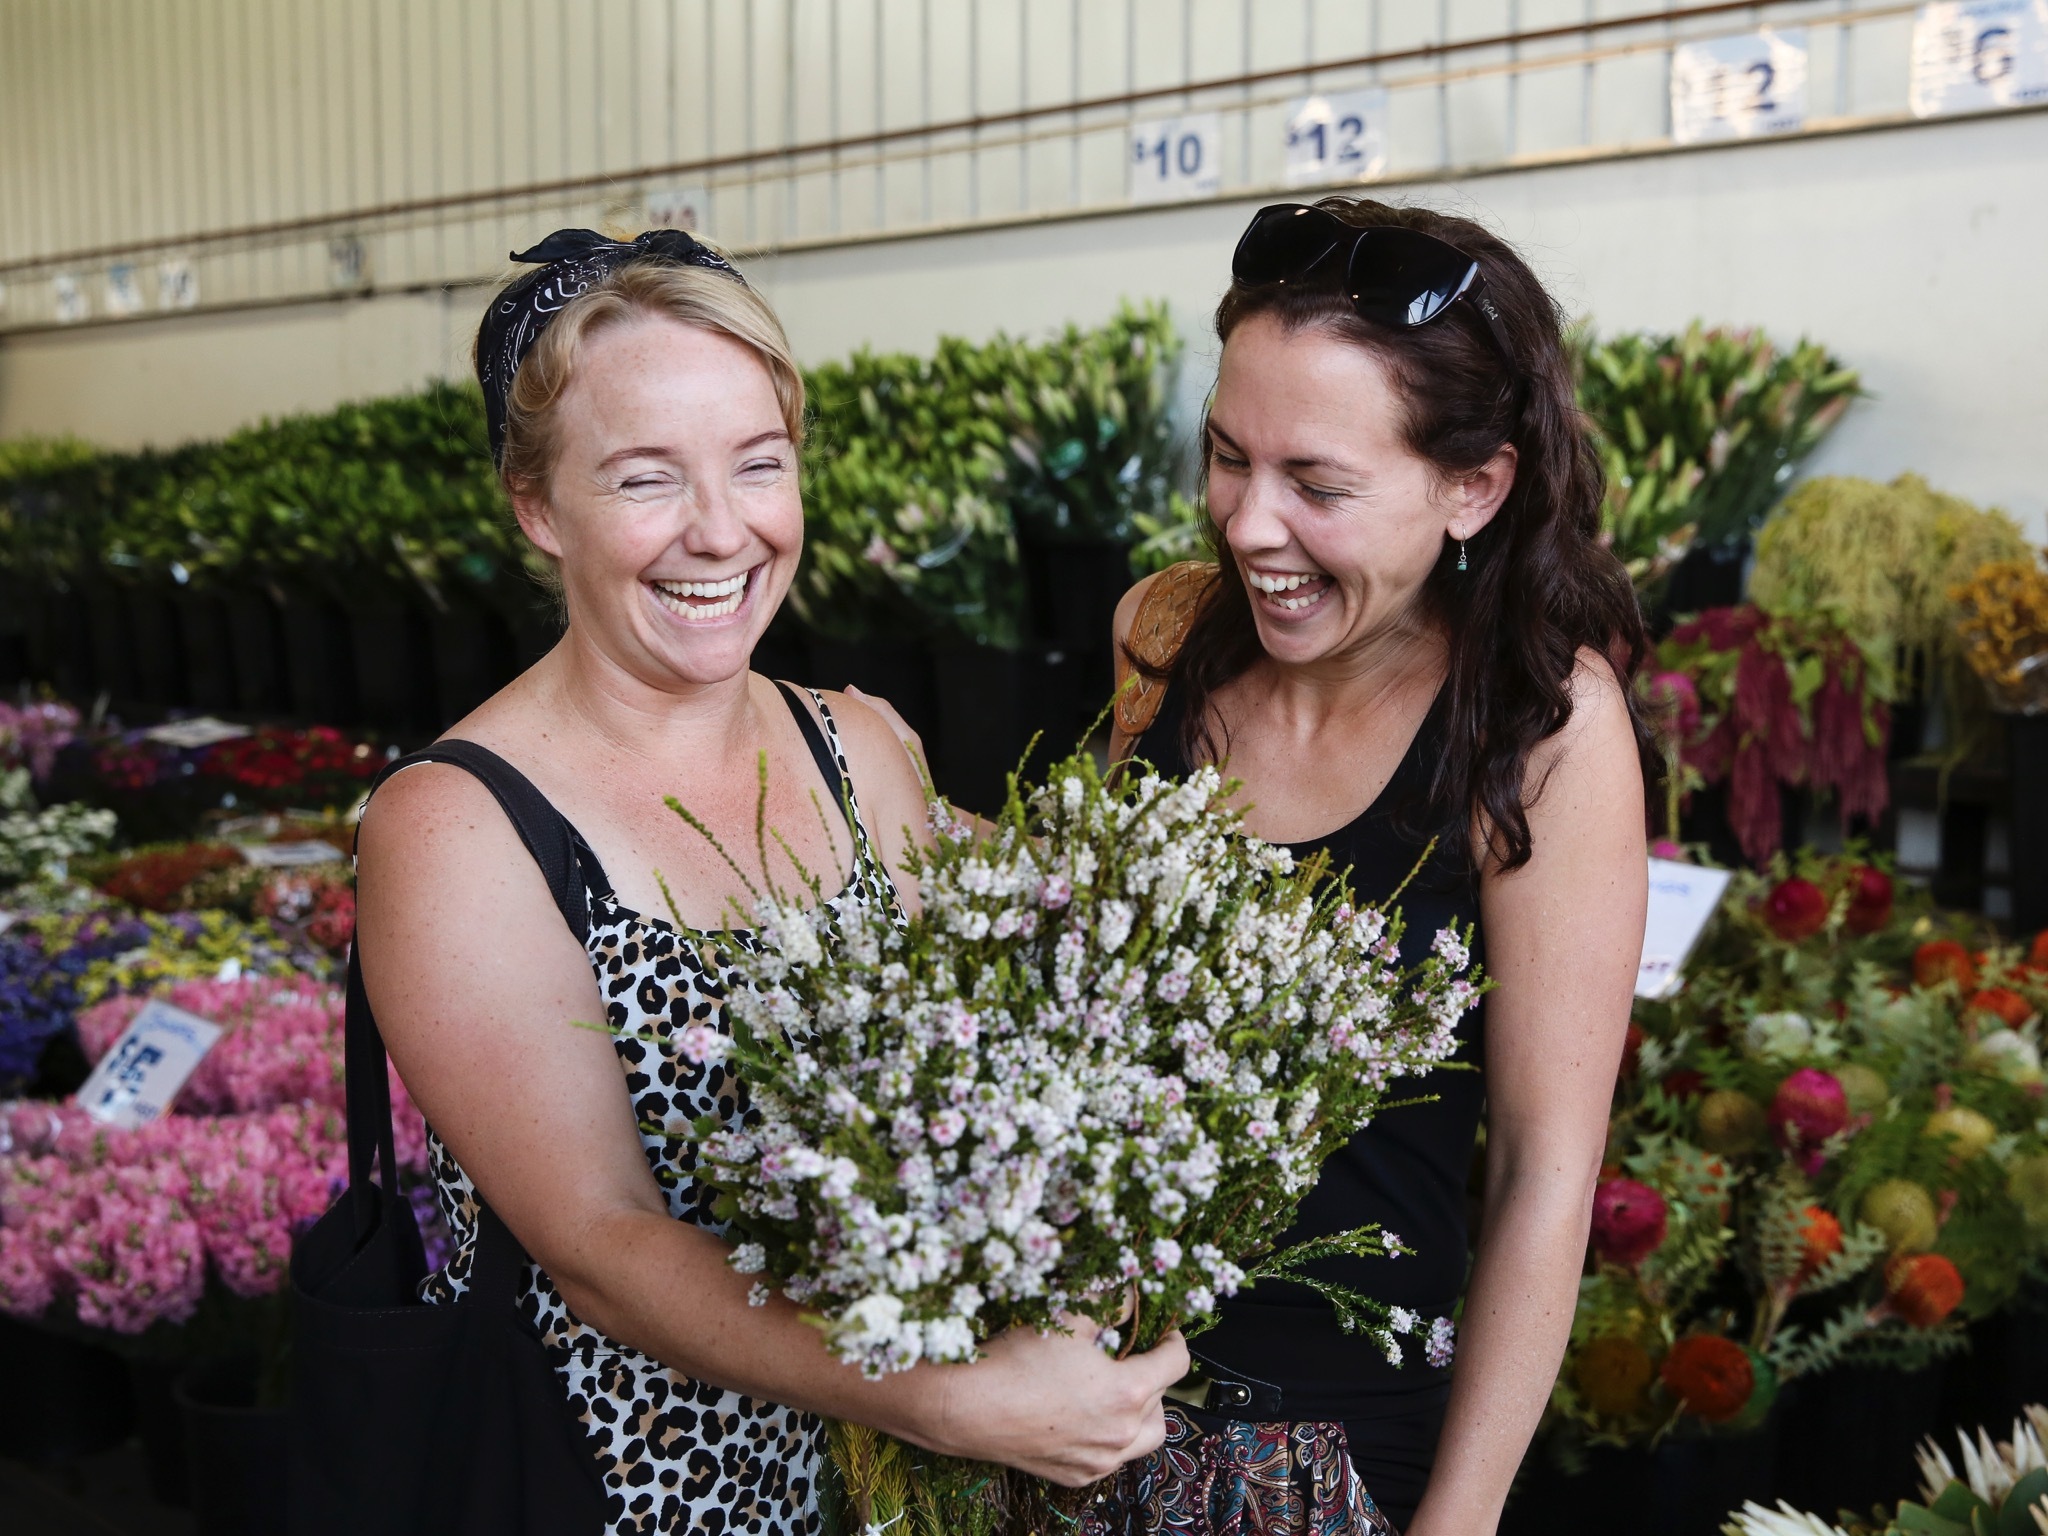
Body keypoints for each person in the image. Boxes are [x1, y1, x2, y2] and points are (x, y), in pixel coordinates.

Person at [354, 227, 1187, 1535]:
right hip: (631, 1484)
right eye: (644, 480)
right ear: (535, 506)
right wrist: (941, 1396)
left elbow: (958, 1095)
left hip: (900, 1497)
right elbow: (604, 1247)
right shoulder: (459, 827)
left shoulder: (860, 750)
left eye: (760, 464)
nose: (720, 530)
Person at [1102, 199, 1650, 1535]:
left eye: (1317, 484)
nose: (1247, 522)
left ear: (1476, 485)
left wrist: (1454, 1523)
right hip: (1070, 1418)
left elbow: (1540, 1173)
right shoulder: (1164, 640)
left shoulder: (1539, 730)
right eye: (1227, 457)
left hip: (1331, 1460)